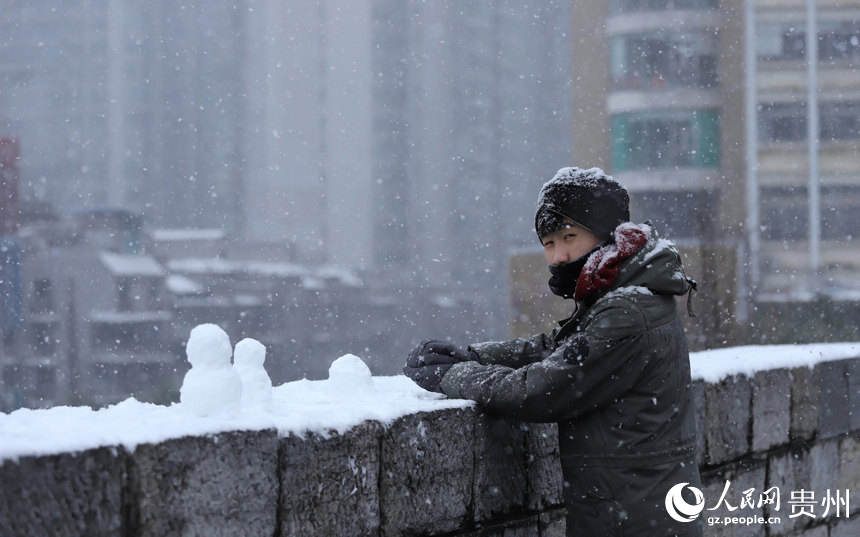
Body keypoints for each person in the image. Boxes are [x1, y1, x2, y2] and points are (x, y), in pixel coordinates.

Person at [403, 167, 703, 536]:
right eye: (548, 243)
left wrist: (453, 376)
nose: (558, 256)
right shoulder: (627, 293)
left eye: (569, 237)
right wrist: (474, 355)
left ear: (607, 235)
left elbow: (541, 390)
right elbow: (559, 347)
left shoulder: (627, 311)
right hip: (638, 511)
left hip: (636, 521)